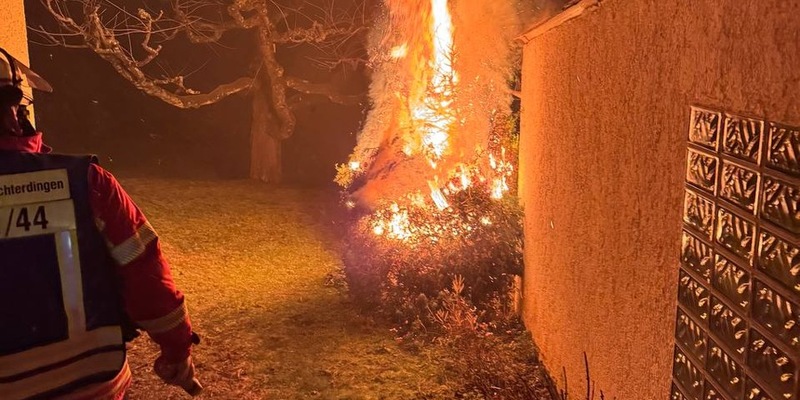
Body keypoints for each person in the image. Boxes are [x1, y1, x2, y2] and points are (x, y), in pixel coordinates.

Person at [0, 47, 201, 399]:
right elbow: (146, 275)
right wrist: (177, 351)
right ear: (19, 109)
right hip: (94, 384)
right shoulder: (87, 182)